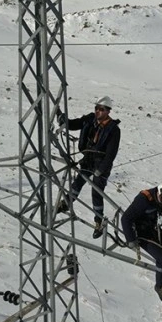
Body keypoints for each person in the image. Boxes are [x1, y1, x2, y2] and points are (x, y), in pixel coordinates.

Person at [57, 96, 121, 239]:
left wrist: (101, 170)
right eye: (96, 108)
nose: (98, 111)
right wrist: (61, 117)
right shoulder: (90, 120)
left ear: (108, 111)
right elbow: (72, 124)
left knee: (97, 192)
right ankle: (66, 203)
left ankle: (99, 221)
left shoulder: (113, 130)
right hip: (88, 159)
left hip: (101, 163)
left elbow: (111, 154)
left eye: (101, 109)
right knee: (77, 183)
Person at [121, 182, 162, 303]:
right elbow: (126, 218)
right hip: (141, 234)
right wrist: (131, 240)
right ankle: (160, 286)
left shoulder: (158, 198)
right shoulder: (144, 200)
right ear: (160, 193)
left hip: (153, 230)